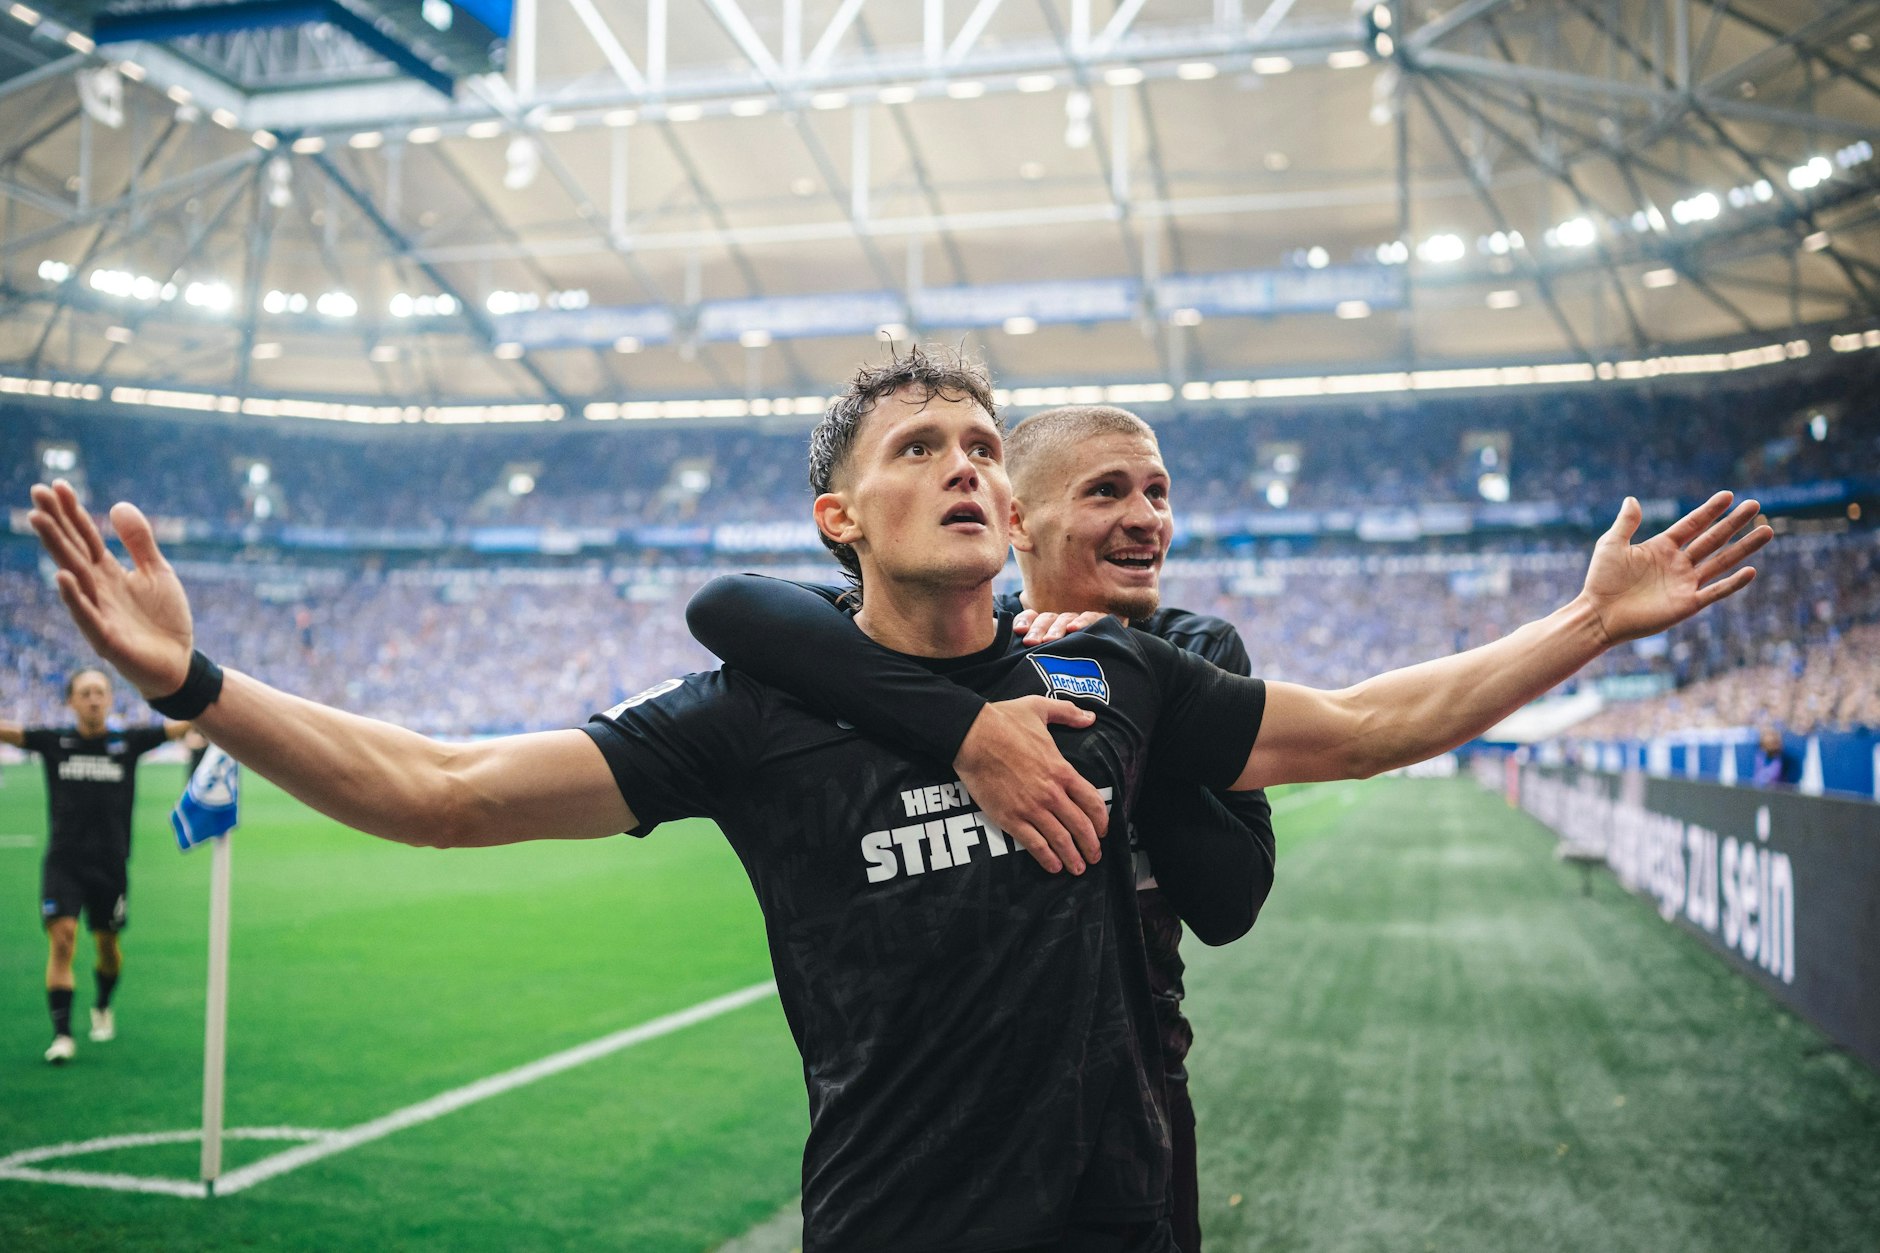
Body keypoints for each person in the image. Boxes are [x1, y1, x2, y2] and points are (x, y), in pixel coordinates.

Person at [25, 345, 1768, 1253]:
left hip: (1116, 1213)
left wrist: (1584, 621)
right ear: (838, 520)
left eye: (978, 447)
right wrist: (194, 681)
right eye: (913, 448)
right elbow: (443, 787)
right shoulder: (755, 714)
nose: (958, 465)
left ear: (1014, 513)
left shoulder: (1119, 675)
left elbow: (1376, 722)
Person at [686, 403, 1272, 1252]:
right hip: (948, 1097)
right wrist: (959, 723)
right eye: (1108, 493)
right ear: (1016, 519)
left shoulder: (1194, 649)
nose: (1146, 520)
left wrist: (1118, 699)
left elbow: (1231, 900)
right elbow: (732, 606)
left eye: (1158, 493)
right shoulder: (960, 644)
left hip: (1137, 1081)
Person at [1, 668, 191, 1064]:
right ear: (71, 701)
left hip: (110, 865)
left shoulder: (128, 742)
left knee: (107, 945)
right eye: (85, 693)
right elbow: (11, 732)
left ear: (110, 700)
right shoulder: (54, 742)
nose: (93, 699)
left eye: (100, 693)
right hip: (64, 863)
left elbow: (180, 728)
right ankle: (63, 1035)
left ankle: (102, 1004)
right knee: (63, 938)